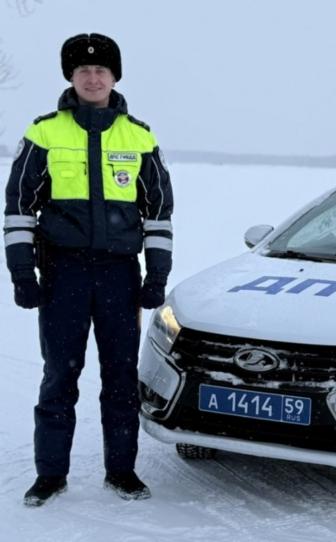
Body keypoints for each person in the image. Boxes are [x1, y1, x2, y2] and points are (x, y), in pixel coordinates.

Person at [3, 33, 174, 506]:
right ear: (71, 77)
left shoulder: (139, 137)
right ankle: (50, 475)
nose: (93, 78)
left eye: (101, 71)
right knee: (59, 376)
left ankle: (121, 471)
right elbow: (19, 209)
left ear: (115, 76)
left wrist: (157, 275)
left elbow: (159, 214)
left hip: (120, 275)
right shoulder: (44, 133)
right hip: (65, 274)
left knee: (120, 378)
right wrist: (22, 273)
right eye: (83, 71)